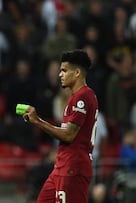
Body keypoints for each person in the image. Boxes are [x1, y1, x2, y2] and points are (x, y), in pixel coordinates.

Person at [21, 49, 98, 203]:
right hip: (62, 167)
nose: (59, 74)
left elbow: (68, 135)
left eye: (64, 70)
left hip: (73, 168)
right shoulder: (76, 97)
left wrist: (37, 121)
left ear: (76, 73)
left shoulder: (82, 97)